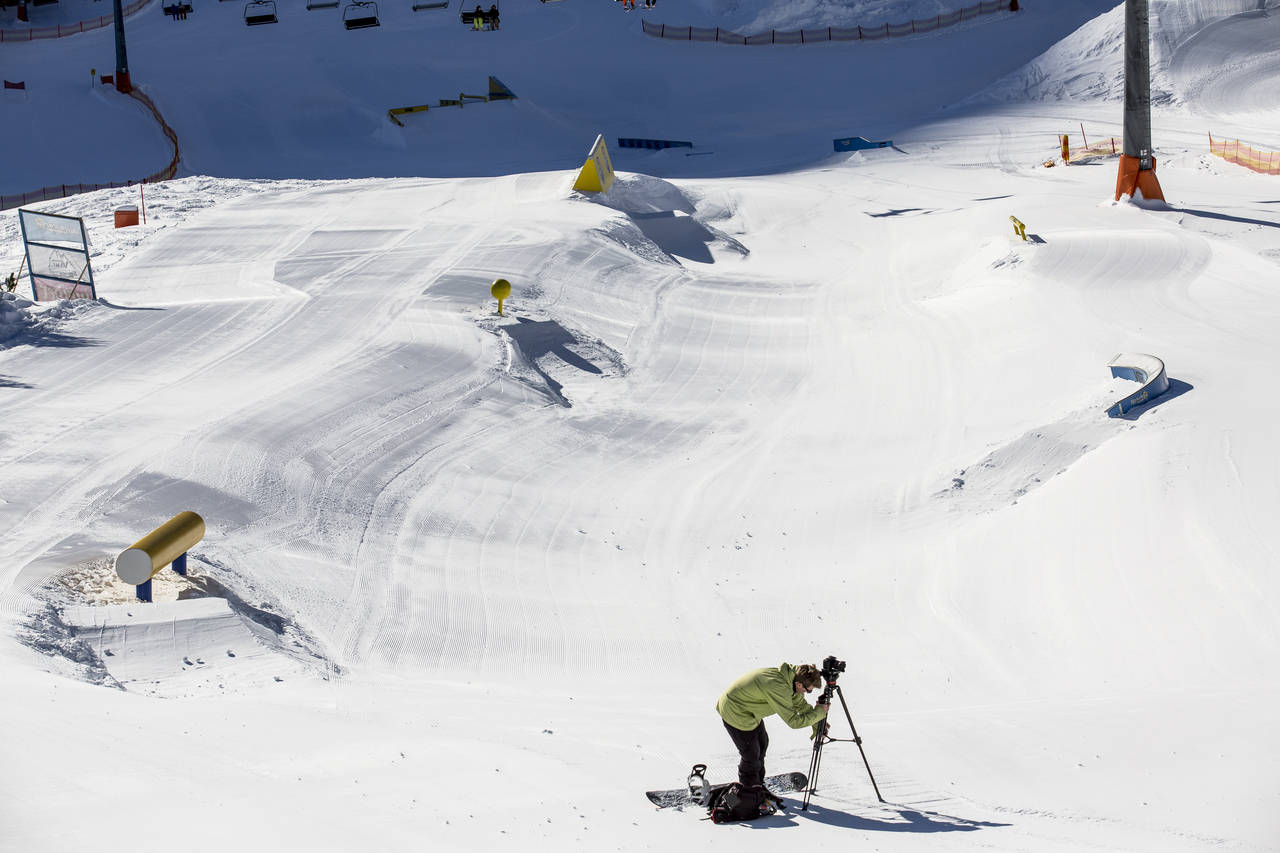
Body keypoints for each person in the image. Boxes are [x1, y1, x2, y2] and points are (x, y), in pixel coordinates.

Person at [716, 662, 827, 788]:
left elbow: (799, 703)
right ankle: (749, 789)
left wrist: (817, 723)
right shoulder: (778, 687)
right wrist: (819, 712)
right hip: (735, 712)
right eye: (808, 691)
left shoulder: (789, 679)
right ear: (799, 684)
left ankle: (757, 782)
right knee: (751, 754)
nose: (806, 693)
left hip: (748, 710)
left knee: (762, 743)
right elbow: (793, 721)